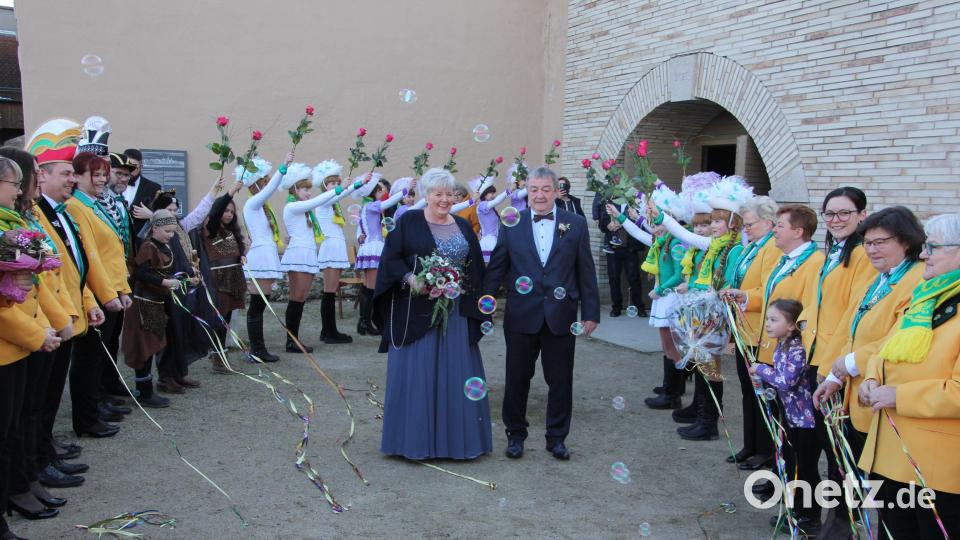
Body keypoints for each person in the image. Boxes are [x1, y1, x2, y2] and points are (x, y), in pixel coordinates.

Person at [811, 206, 926, 537]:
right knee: (847, 473)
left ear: (906, 241)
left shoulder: (916, 279)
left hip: (881, 398)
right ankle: (839, 529)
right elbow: (852, 325)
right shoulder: (881, 278)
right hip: (855, 395)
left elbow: (898, 338)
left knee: (885, 491)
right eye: (868, 243)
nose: (872, 250)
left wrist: (849, 364)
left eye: (880, 242)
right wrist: (834, 376)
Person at [375, 167, 492, 460]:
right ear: (426, 195)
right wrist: (411, 280)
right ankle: (414, 442)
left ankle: (456, 443)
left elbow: (475, 268)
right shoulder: (409, 222)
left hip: (456, 314)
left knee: (457, 377)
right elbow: (391, 259)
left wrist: (476, 300)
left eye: (449, 193)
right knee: (420, 376)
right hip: (416, 312)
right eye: (437, 193)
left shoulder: (464, 226)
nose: (444, 199)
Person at [484, 166, 600, 460]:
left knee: (561, 380)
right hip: (522, 315)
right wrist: (481, 302)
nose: (539, 195)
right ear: (528, 192)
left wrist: (591, 312)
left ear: (555, 191)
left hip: (561, 315)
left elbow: (585, 269)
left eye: (545, 189)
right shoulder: (512, 223)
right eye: (533, 189)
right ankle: (515, 435)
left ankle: (557, 437)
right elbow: (497, 266)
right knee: (517, 378)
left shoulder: (575, 224)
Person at [857, 213, 960, 539]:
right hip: (894, 455)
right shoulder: (927, 297)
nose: (925, 253)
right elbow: (886, 347)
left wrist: (898, 395)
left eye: (933, 247)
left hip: (937, 469)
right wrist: (872, 379)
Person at [27, 120, 104, 486]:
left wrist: (88, 299)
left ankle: (46, 450)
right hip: (47, 318)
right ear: (40, 176)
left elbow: (76, 265)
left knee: (49, 397)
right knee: (36, 402)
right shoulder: (36, 215)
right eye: (66, 173)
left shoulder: (59, 211)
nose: (73, 179)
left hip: (67, 313)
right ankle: (39, 460)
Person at [0, 156, 62, 539]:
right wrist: (36, 333)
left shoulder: (15, 223)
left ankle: (17, 493)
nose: (20, 189)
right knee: (4, 436)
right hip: (10, 342)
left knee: (15, 429)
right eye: (14, 182)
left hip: (21, 342)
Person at [66, 151, 133, 438]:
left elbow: (114, 250)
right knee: (89, 358)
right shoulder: (77, 207)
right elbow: (92, 257)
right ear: (79, 176)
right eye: (96, 174)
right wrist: (109, 293)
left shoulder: (95, 204)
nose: (103, 179)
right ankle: (87, 417)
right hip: (95, 291)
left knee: (101, 354)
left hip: (111, 287)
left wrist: (123, 288)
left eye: (105, 173)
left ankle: (97, 404)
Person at [750, 299, 821, 536]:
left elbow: (787, 380)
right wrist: (761, 380)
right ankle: (797, 509)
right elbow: (776, 380)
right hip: (791, 417)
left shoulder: (797, 348)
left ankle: (810, 516)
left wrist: (760, 369)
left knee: (807, 467)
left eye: (773, 320)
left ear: (791, 325)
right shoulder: (781, 345)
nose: (767, 325)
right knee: (792, 463)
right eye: (767, 319)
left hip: (807, 420)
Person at [720, 196, 781, 470]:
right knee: (747, 390)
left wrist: (743, 296)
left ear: (768, 222)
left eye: (750, 224)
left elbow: (769, 288)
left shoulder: (772, 248)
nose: (746, 229)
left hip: (760, 330)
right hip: (744, 327)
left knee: (761, 393)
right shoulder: (753, 247)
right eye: (744, 224)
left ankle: (766, 450)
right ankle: (750, 445)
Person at [121, 209, 181, 408]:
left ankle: (147, 389)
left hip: (156, 303)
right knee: (143, 347)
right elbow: (141, 273)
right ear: (154, 228)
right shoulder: (148, 247)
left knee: (152, 344)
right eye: (167, 231)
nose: (170, 236)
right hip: (142, 304)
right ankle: (143, 392)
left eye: (173, 232)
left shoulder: (164, 246)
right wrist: (165, 282)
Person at [241, 154, 292, 363]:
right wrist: (282, 169)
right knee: (258, 304)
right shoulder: (253, 203)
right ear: (256, 185)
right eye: (264, 181)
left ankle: (258, 348)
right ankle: (257, 349)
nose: (267, 185)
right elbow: (271, 188)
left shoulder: (261, 207)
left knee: (260, 303)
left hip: (265, 253)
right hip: (260, 257)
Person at [313, 160, 362, 344]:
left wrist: (350, 185)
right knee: (329, 291)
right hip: (331, 247)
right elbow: (336, 195)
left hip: (337, 246)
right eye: (332, 183)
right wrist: (352, 185)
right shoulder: (325, 201)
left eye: (336, 183)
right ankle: (329, 331)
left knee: (331, 291)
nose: (335, 186)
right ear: (325, 186)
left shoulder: (332, 204)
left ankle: (329, 330)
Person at [202, 183, 246, 373]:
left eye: (231, 211)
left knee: (226, 319)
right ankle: (217, 358)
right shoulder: (210, 229)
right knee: (219, 320)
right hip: (219, 280)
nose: (228, 214)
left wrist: (242, 255)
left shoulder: (232, 231)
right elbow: (216, 210)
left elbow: (237, 251)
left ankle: (223, 356)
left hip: (234, 279)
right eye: (225, 210)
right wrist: (231, 193)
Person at [353, 175, 404, 336]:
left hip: (369, 246)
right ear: (373, 192)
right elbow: (388, 203)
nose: (382, 192)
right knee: (371, 288)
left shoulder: (366, 206)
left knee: (368, 288)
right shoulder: (372, 206)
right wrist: (404, 191)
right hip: (374, 247)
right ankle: (366, 322)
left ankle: (364, 322)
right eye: (379, 189)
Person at [122, 148, 162, 242]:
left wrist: (151, 215)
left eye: (134, 166)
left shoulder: (154, 188)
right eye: (127, 165)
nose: (130, 170)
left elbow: (163, 215)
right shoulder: (112, 184)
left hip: (141, 243)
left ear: (141, 166)